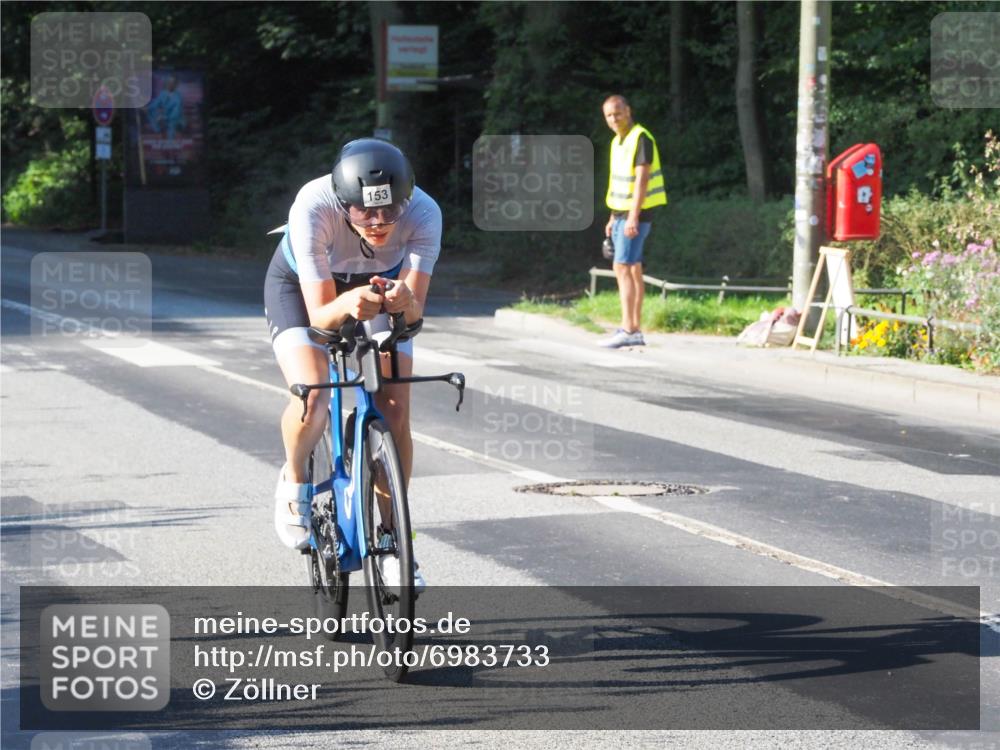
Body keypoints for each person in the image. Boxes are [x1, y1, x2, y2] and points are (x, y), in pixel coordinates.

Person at [264, 138, 441, 592]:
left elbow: (414, 313)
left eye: (390, 211)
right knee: (314, 394)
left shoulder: (424, 213)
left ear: (407, 200)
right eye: (364, 213)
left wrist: (405, 301)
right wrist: (347, 304)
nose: (379, 224)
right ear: (343, 203)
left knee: (396, 406)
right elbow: (322, 315)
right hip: (305, 290)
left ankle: (395, 538)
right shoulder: (313, 205)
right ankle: (296, 481)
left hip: (377, 287)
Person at [599, 95, 667, 348]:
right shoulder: (618, 142)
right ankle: (634, 329)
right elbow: (620, 183)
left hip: (634, 215)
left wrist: (632, 217)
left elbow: (642, 180)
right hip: (621, 214)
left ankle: (628, 329)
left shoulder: (641, 138)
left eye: (617, 113)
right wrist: (613, 216)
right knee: (633, 269)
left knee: (623, 268)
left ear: (628, 111)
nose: (614, 119)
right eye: (609, 115)